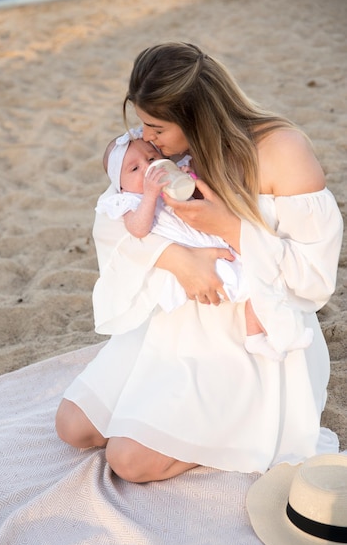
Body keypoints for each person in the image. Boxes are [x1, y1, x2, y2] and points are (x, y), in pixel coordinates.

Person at [56, 42, 343, 484]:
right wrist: (177, 259)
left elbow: (315, 279)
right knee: (73, 429)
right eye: (141, 124)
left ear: (195, 115)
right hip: (177, 322)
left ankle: (240, 431)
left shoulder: (282, 151)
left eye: (155, 126)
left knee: (128, 462)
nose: (144, 138)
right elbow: (114, 218)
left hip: (251, 335)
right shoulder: (165, 156)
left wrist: (231, 228)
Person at [96, 130, 313, 361]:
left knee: (260, 273)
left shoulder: (169, 187)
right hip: (192, 256)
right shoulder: (129, 201)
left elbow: (198, 201)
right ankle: (277, 334)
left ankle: (258, 336)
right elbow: (138, 229)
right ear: (121, 186)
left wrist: (189, 181)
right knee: (255, 283)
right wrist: (149, 195)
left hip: (208, 240)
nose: (148, 169)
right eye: (134, 169)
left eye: (151, 159)